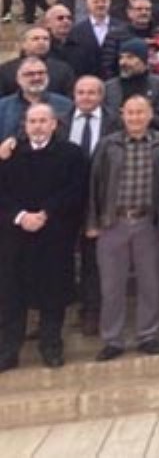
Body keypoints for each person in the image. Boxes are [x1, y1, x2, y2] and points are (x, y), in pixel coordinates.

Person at [0, 103, 88, 370]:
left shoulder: (71, 154)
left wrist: (45, 214)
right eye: (32, 121)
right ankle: (8, 350)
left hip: (54, 234)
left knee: (53, 294)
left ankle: (51, 346)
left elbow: (76, 190)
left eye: (42, 121)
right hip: (15, 235)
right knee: (12, 294)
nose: (37, 126)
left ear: (53, 124)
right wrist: (20, 216)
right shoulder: (10, 155)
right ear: (25, 125)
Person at [86, 94, 159, 361]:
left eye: (141, 112)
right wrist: (92, 221)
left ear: (150, 115)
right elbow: (95, 184)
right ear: (122, 115)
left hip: (148, 222)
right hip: (114, 222)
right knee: (111, 285)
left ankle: (148, 334)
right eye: (130, 113)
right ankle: (113, 338)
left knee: (149, 282)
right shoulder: (108, 145)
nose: (135, 118)